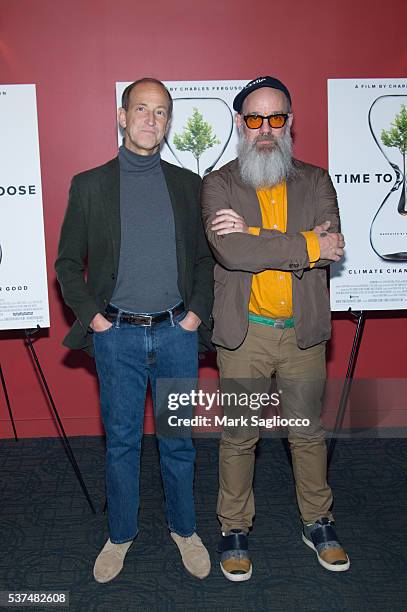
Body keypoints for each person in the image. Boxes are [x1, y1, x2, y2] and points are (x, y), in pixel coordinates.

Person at [55, 78, 214, 583]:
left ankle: (184, 530)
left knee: (178, 440)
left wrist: (193, 317)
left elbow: (205, 262)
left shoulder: (190, 186)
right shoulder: (89, 185)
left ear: (168, 123)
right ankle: (120, 534)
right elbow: (64, 264)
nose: (151, 118)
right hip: (116, 336)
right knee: (122, 442)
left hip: (175, 333)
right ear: (122, 117)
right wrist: (95, 320)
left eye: (162, 111)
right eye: (141, 109)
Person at [201, 75, 349, 582]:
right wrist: (303, 244)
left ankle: (318, 521)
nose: (266, 129)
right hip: (247, 336)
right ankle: (234, 528)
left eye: (277, 117)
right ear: (240, 124)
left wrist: (259, 234)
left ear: (290, 122)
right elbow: (231, 251)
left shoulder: (316, 180)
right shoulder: (218, 183)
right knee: (240, 436)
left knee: (308, 434)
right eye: (255, 118)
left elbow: (332, 244)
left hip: (302, 332)